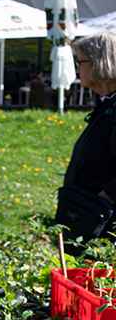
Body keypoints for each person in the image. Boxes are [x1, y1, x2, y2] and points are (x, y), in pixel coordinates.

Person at [57, 32, 116, 253]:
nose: (77, 69)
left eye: (80, 62)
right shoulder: (105, 104)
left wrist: (99, 202)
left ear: (99, 63)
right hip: (89, 219)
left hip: (104, 225)